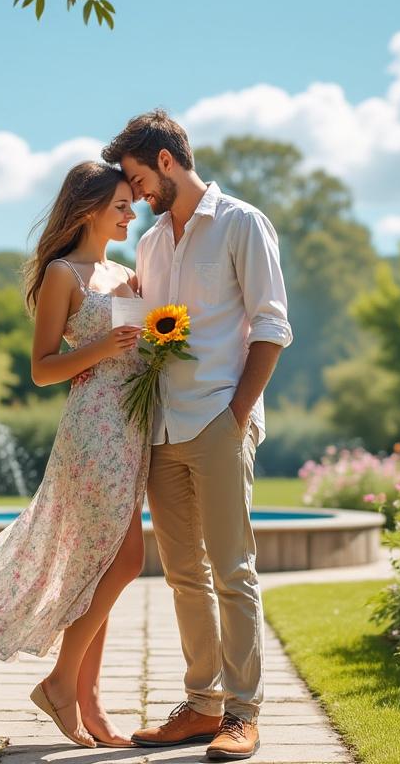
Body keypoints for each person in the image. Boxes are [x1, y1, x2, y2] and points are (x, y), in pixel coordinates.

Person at [102, 109, 292, 762]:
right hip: (161, 423)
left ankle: (244, 712)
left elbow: (271, 326)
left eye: (136, 178)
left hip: (217, 418)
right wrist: (122, 296)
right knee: (185, 573)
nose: (135, 195)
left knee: (233, 571)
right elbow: (143, 330)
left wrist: (236, 416)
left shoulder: (242, 223)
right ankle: (202, 704)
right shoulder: (151, 244)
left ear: (165, 160)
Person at [0, 161, 148, 749]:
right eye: (119, 205)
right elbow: (40, 370)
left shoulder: (127, 276)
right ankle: (61, 684)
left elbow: (139, 353)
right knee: (125, 559)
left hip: (132, 427)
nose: (129, 214)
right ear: (87, 208)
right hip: (92, 431)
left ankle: (88, 700)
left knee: (101, 566)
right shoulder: (64, 274)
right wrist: (105, 345)